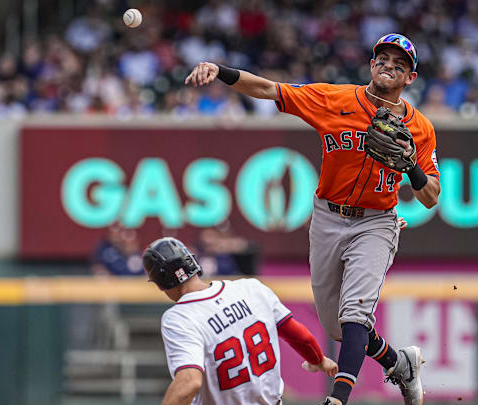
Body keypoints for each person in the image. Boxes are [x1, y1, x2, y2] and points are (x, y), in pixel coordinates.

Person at [185, 32, 440, 405]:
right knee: (337, 327)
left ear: (410, 78)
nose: (389, 66)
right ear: (371, 65)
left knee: (355, 315)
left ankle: (338, 399)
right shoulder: (334, 99)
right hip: (327, 217)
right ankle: (399, 363)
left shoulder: (421, 128)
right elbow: (269, 90)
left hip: (377, 220)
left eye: (399, 64)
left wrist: (411, 167)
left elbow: (430, 197)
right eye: (383, 60)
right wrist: (220, 71)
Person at [143, 237, 337, 405]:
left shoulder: (179, 317)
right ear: (192, 262)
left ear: (161, 283)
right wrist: (318, 360)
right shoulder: (250, 287)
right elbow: (297, 334)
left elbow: (189, 382)